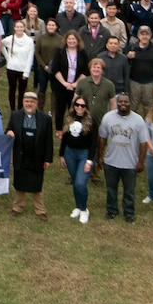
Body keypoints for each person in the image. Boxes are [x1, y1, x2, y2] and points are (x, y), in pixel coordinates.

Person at [99, 92, 147, 222]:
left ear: (130, 103)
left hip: (130, 163)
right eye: (120, 101)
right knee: (111, 189)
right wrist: (100, 156)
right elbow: (102, 138)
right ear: (117, 103)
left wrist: (141, 162)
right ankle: (111, 210)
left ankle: (129, 213)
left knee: (129, 191)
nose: (123, 104)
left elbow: (143, 143)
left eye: (126, 101)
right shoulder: (107, 117)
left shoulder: (138, 120)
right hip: (111, 161)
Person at [9, 90, 54, 218]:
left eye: (32, 102)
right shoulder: (15, 116)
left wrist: (47, 159)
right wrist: (9, 133)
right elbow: (9, 130)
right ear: (23, 102)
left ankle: (40, 210)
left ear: (36, 103)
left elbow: (49, 141)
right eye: (27, 101)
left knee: (37, 185)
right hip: (20, 155)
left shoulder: (45, 119)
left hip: (37, 157)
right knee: (19, 184)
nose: (29, 104)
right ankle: (17, 207)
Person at [60, 95, 97, 224]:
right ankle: (77, 206)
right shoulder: (69, 118)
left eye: (82, 105)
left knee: (81, 183)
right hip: (70, 153)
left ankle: (84, 209)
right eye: (77, 105)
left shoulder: (92, 121)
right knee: (75, 181)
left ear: (86, 107)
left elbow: (94, 143)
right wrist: (61, 154)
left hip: (84, 154)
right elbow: (64, 138)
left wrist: (89, 160)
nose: (79, 108)